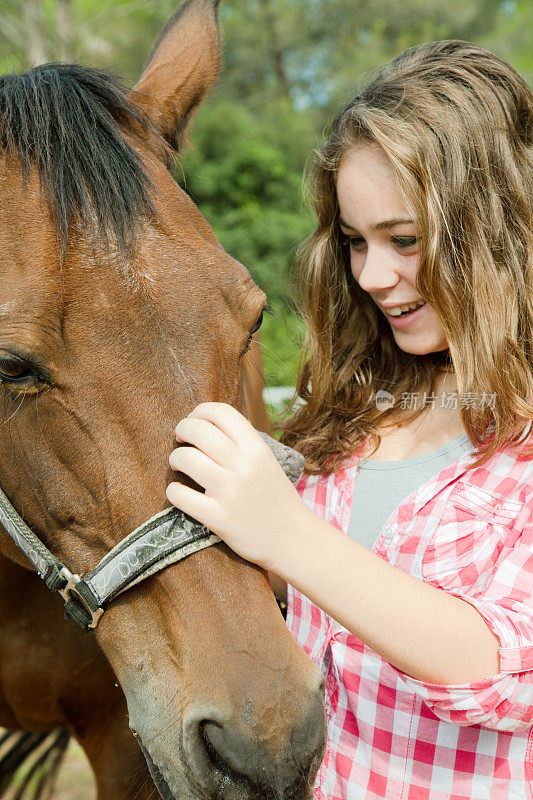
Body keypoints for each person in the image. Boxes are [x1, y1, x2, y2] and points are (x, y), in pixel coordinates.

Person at [165, 39, 533, 799]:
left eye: (404, 240)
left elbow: (503, 670)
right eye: (354, 241)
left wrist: (289, 536)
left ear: (496, 225)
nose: (371, 276)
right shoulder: (355, 409)